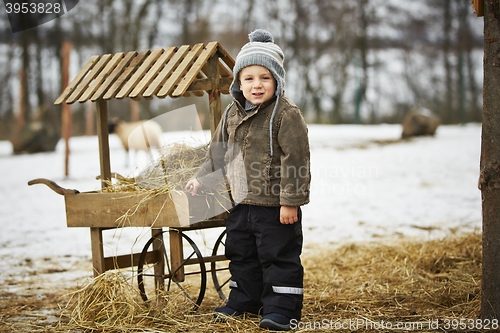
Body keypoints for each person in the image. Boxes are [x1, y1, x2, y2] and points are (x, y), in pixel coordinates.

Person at [185, 29, 311, 331]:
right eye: (249, 78)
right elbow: (218, 152)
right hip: (240, 201)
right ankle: (246, 300)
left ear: (277, 80)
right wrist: (202, 179)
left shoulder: (286, 114)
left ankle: (282, 309)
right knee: (241, 252)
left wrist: (290, 202)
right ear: (238, 82)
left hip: (275, 206)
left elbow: (296, 160)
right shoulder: (232, 112)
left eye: (265, 78)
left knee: (278, 255)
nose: (257, 85)